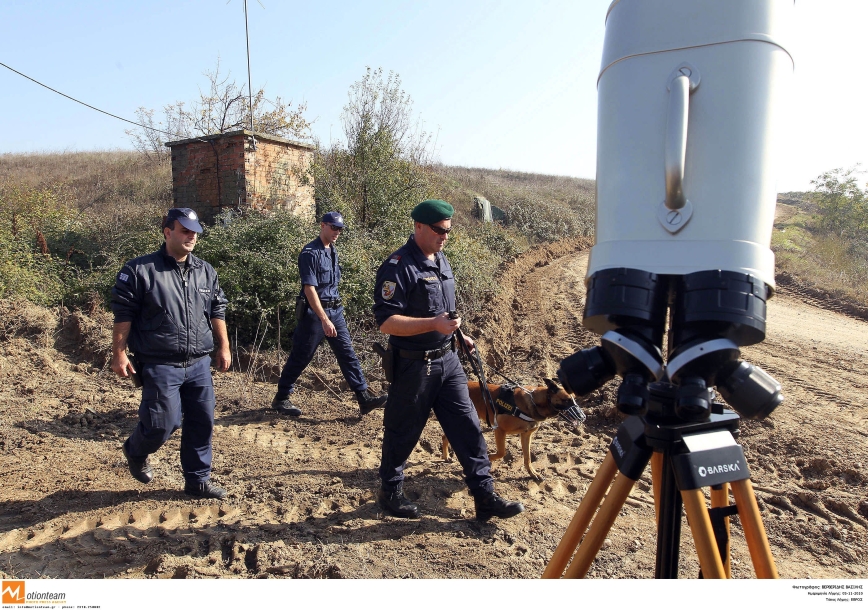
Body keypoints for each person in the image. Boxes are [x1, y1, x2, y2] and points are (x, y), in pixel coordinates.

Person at [372, 199, 525, 521]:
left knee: (468, 427)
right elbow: (386, 322)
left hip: (449, 360)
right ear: (418, 227)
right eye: (439, 231)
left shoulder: (441, 260)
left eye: (448, 231)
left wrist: (459, 335)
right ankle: (390, 491)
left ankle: (484, 496)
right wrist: (433, 325)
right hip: (414, 365)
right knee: (403, 430)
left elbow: (446, 311)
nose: (445, 237)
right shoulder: (398, 266)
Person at [111, 207, 231, 500]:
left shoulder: (205, 270)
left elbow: (217, 309)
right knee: (162, 423)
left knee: (202, 423)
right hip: (160, 362)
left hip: (199, 362)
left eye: (195, 232)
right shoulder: (140, 270)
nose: (191, 237)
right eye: (185, 231)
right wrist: (119, 352)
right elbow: (123, 313)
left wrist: (224, 346)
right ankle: (135, 450)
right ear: (168, 232)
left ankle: (198, 481)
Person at [272, 212, 387, 417]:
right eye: (333, 228)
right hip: (315, 314)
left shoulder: (332, 250)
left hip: (336, 310)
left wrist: (332, 316)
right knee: (301, 356)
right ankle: (281, 397)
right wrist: (324, 319)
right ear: (323, 225)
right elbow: (309, 289)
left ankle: (363, 398)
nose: (337, 232)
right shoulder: (310, 253)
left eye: (340, 229)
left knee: (347, 354)